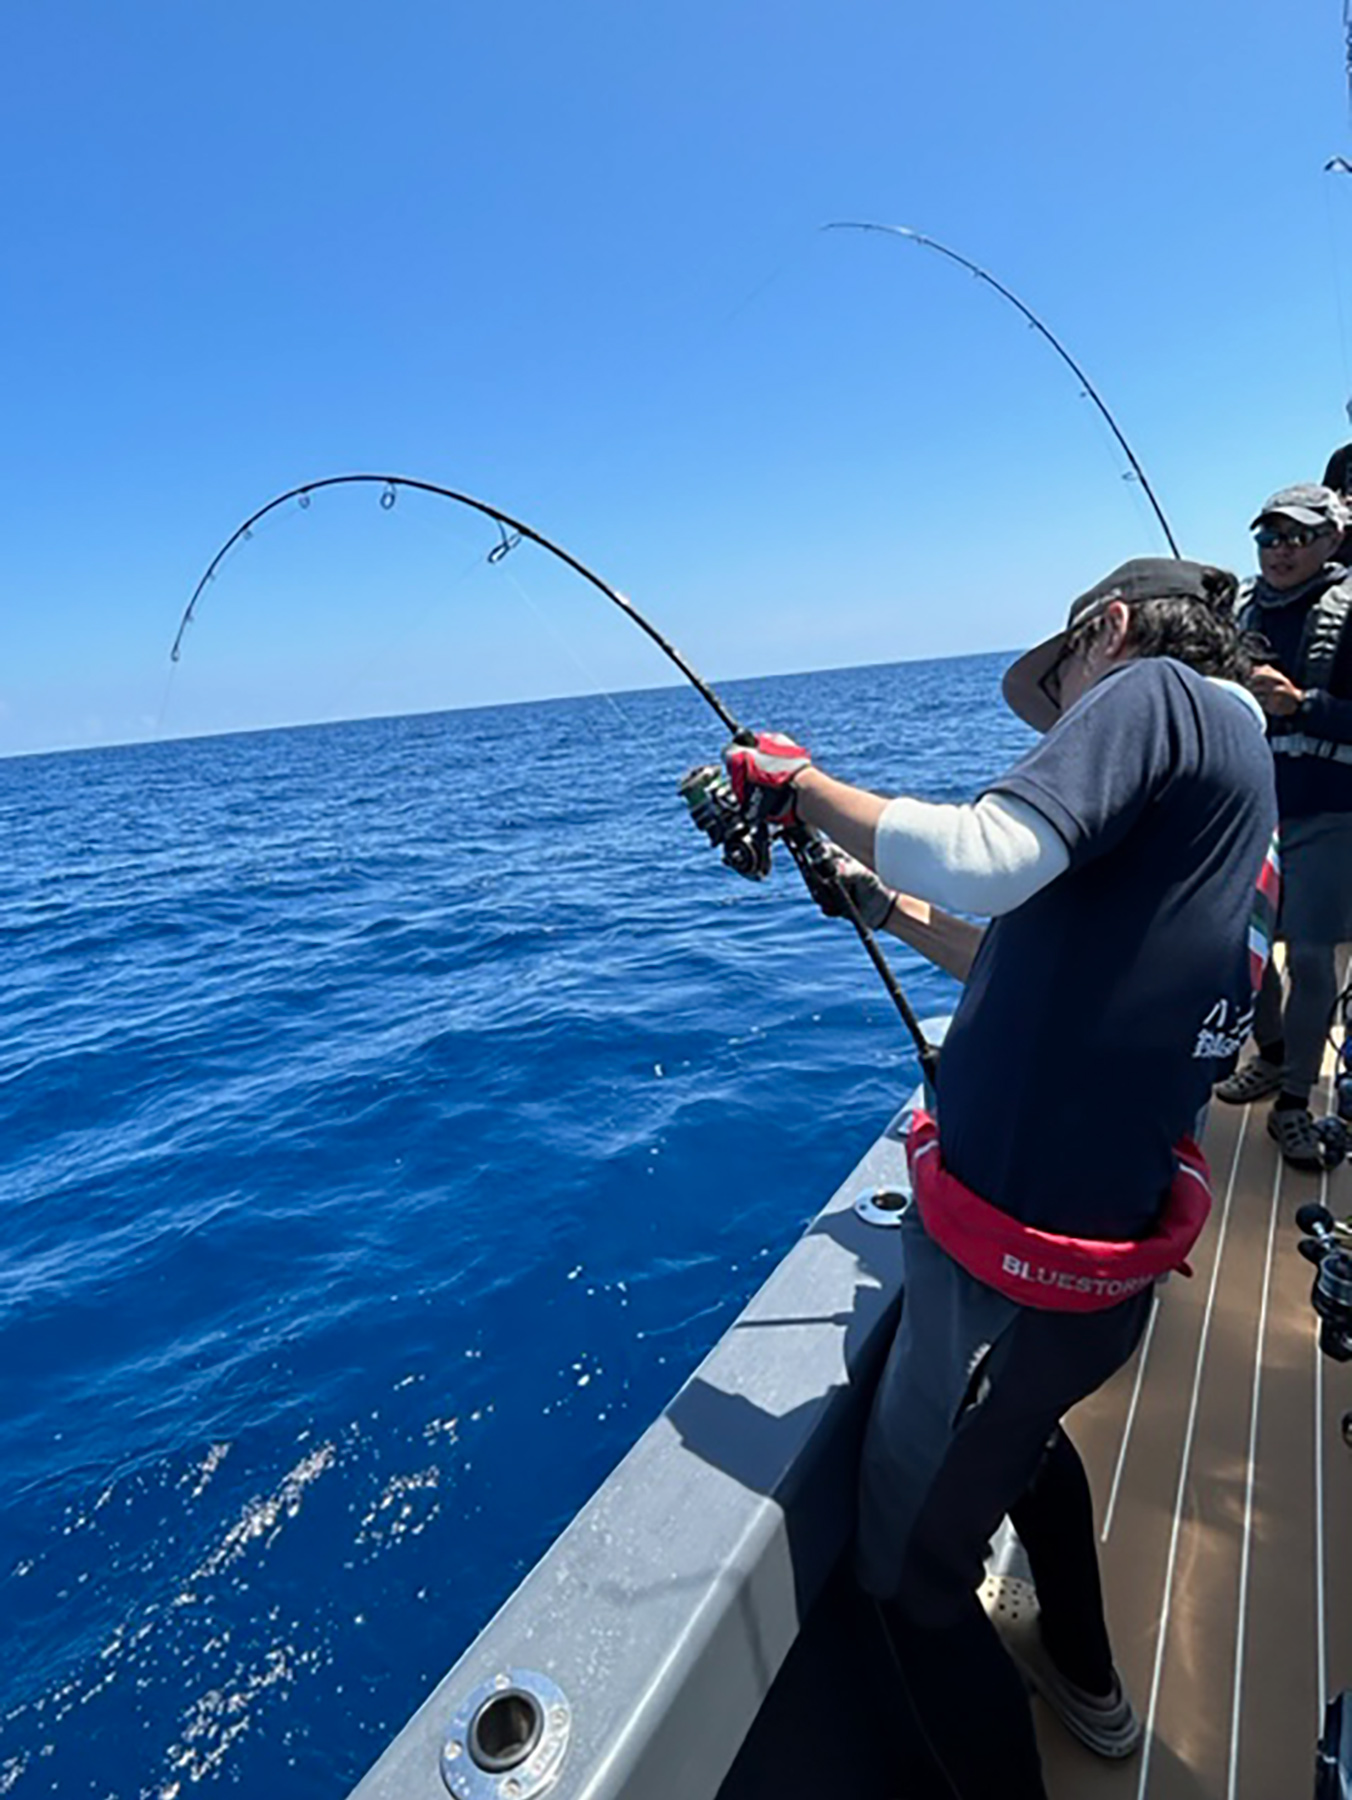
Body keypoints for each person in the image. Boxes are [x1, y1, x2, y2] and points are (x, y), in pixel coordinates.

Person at [722, 560, 1277, 1800]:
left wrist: (796, 782)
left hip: (1006, 1275)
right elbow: (1021, 951)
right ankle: (1089, 1684)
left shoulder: (1155, 701)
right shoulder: (1241, 801)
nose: (1068, 715)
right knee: (1024, 1451)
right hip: (1093, 1275)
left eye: (1066, 680)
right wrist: (875, 898)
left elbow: (981, 854)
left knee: (909, 1583)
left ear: (1108, 632)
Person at [1213, 484, 1352, 1168]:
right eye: (1268, 538)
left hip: (1330, 810)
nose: (1280, 551)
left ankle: (1296, 1102)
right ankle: (1268, 1055)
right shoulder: (1235, 614)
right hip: (1252, 808)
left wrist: (1305, 704)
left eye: (1296, 537)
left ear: (1332, 540)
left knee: (1313, 957)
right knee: (1244, 948)